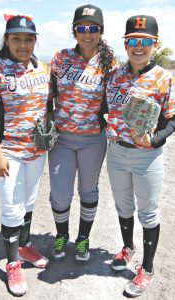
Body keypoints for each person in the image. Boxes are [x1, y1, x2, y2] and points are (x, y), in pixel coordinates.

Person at [106, 15, 175, 297]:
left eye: (145, 41)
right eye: (132, 41)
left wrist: (154, 139)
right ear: (126, 43)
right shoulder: (115, 75)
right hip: (115, 152)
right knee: (123, 206)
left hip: (146, 158)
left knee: (148, 212)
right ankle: (128, 249)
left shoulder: (163, 77)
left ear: (155, 44)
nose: (138, 47)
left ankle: (147, 268)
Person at [0, 14, 50, 296]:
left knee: (28, 202)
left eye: (28, 38)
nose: (23, 44)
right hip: (7, 151)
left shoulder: (39, 67)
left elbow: (47, 106)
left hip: (36, 151)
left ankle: (24, 246)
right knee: (11, 207)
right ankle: (12, 263)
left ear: (35, 41)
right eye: (16, 38)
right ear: (6, 39)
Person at [48, 4, 115, 263]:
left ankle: (83, 238)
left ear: (100, 31)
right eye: (82, 28)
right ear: (75, 31)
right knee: (60, 193)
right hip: (62, 139)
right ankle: (61, 234)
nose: (87, 34)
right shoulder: (61, 57)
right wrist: (45, 123)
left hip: (93, 139)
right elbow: (47, 97)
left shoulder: (108, 62)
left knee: (88, 191)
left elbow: (117, 101)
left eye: (93, 29)